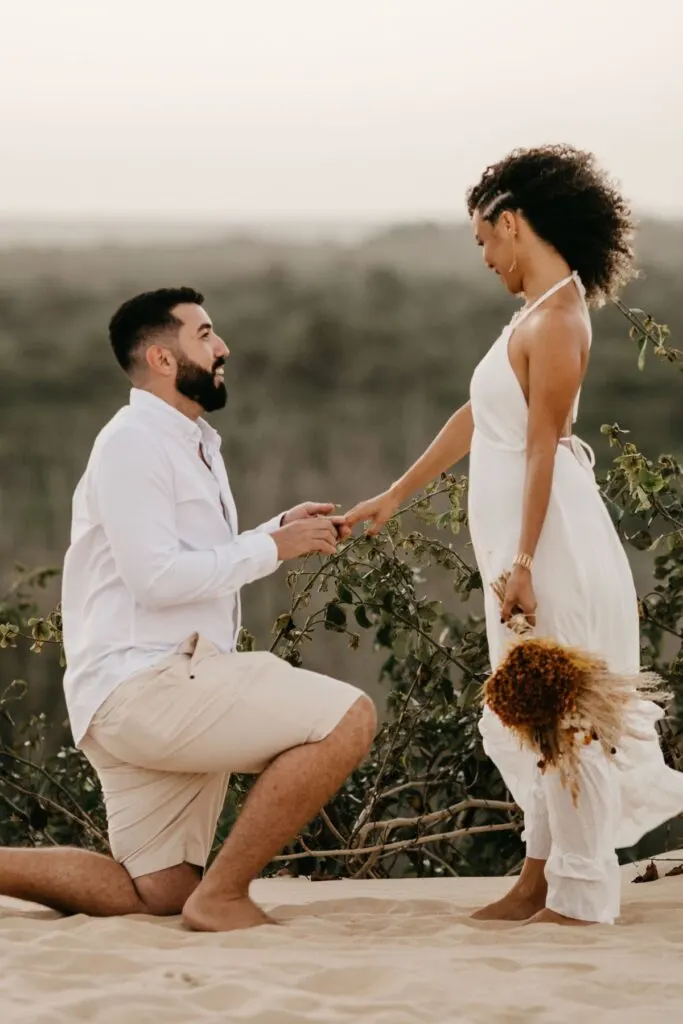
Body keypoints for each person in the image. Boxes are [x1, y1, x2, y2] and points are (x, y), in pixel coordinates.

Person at [344, 145, 683, 926]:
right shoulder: (528, 317)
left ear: (512, 222)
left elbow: (541, 445)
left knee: (564, 715)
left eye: (483, 241)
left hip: (551, 544)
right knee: (534, 709)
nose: (485, 258)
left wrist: (525, 561)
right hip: (520, 545)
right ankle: (537, 879)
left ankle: (580, 892)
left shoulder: (561, 317)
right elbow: (479, 418)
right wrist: (396, 494)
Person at [0, 287, 376, 932]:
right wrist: (271, 547)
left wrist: (274, 528)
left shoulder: (187, 439)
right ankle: (224, 896)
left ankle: (194, 894)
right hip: (150, 685)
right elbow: (156, 580)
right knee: (348, 718)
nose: (222, 345)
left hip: (143, 690)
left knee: (157, 894)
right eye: (204, 335)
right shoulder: (133, 445)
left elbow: (185, 557)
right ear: (162, 358)